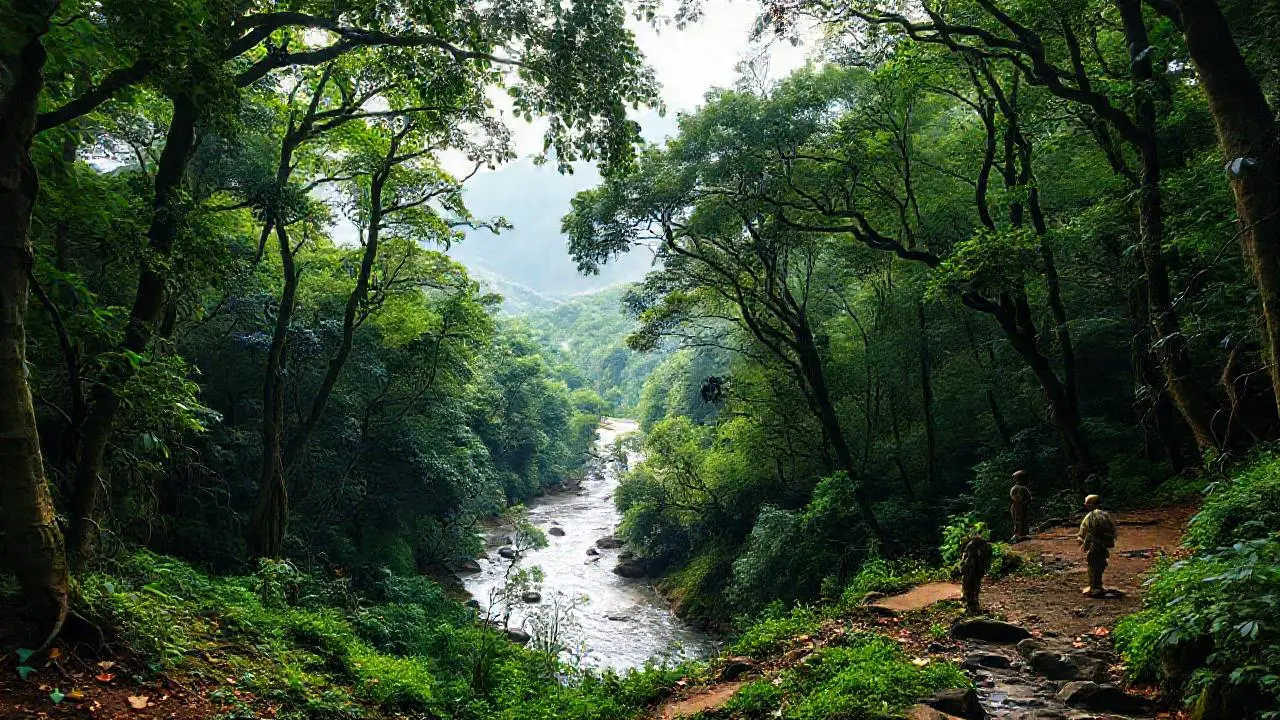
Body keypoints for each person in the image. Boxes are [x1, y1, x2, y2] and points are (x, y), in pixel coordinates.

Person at [1077, 494, 1117, 598]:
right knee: (1100, 565)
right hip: (1103, 545)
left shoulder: (1091, 516)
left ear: (1090, 505)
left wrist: (1082, 541)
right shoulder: (1105, 515)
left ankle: (1094, 587)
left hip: (1094, 545)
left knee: (1093, 566)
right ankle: (1098, 585)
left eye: (1086, 503)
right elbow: (1112, 530)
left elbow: (1085, 531)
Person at [959, 535, 993, 614]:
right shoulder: (984, 545)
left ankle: (970, 605)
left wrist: (963, 568)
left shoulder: (971, 546)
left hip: (973, 568)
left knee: (968, 585)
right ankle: (974, 603)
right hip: (979, 568)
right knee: (975, 585)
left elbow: (967, 561)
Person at [1009, 470, 1033, 541]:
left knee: (1018, 520)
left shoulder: (1016, 488)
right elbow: (1029, 498)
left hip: (1017, 506)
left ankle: (1019, 534)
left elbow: (1012, 497)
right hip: (1020, 505)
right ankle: (1021, 534)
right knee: (1021, 520)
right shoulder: (1022, 487)